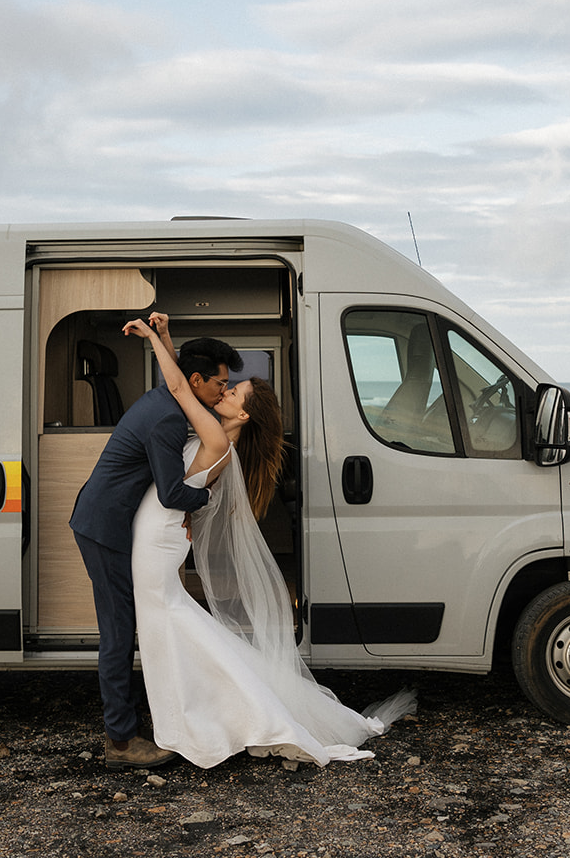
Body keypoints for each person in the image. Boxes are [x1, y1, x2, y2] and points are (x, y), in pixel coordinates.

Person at [125, 313, 416, 768]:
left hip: (157, 542)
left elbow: (182, 388)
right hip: (159, 536)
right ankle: (209, 714)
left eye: (233, 391)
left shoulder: (216, 438)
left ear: (242, 413)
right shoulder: (219, 436)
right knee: (175, 625)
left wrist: (151, 340)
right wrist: (165, 336)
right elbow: (191, 382)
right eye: (225, 386)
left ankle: (212, 719)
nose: (224, 391)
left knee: (171, 625)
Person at [69, 329, 244, 769]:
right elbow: (170, 493)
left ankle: (131, 723)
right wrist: (207, 501)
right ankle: (121, 743)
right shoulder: (168, 418)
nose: (224, 390)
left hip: (106, 521)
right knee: (117, 632)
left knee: (123, 627)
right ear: (198, 379)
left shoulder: (168, 399)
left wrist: (160, 335)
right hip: (104, 528)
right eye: (221, 383)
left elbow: (175, 372)